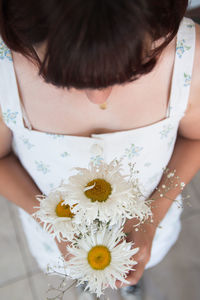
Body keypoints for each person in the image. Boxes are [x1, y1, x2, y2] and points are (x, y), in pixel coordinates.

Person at [0, 1, 200, 299]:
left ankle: (129, 283)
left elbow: (195, 139)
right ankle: (85, 281)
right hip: (50, 234)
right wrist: (54, 227)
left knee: (136, 266)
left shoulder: (189, 57)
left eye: (129, 70)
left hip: (152, 222)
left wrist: (150, 219)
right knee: (78, 270)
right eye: (62, 76)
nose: (98, 97)